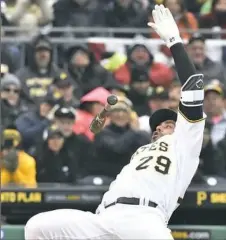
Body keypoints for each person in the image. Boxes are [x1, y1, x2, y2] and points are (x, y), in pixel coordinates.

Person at [24, 5, 206, 240]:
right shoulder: (141, 150)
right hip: (103, 218)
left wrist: (174, 40)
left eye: (168, 124)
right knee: (37, 227)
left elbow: (192, 87)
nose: (160, 127)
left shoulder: (185, 143)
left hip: (145, 218)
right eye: (157, 126)